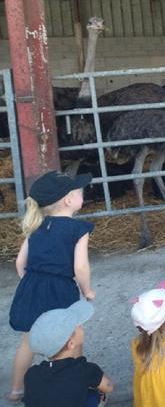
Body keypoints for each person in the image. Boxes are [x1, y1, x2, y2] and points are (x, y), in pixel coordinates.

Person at [7, 170, 95, 403]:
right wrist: (87, 291)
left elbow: (19, 263)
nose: (82, 194)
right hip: (60, 291)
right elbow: (81, 268)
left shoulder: (36, 226)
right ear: (68, 200)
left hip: (32, 287)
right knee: (72, 337)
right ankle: (76, 380)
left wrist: (30, 283)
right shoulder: (79, 230)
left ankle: (16, 389)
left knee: (28, 342)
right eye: (79, 191)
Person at [24, 300, 113, 407]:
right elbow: (109, 387)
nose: (82, 326)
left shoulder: (31, 374)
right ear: (71, 344)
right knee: (97, 394)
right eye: (78, 326)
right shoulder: (85, 370)